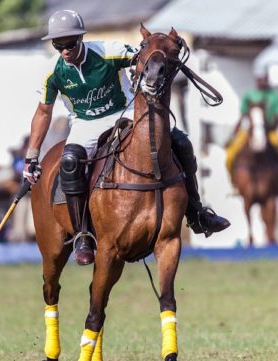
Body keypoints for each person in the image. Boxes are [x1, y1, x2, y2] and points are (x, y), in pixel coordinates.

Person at [23, 10, 230, 265]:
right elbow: (44, 112)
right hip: (85, 124)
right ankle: (82, 235)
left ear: (81, 38)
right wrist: (32, 156)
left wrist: (164, 51)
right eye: (58, 45)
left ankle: (197, 213)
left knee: (181, 142)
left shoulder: (108, 51)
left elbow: (147, 56)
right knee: (68, 163)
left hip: (125, 113)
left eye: (70, 43)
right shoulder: (52, 72)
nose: (65, 50)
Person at [232, 75, 278, 193]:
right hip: (250, 130)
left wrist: (271, 127)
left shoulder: (274, 96)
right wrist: (238, 126)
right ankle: (234, 182)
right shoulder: (250, 95)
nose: (261, 81)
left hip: (269, 130)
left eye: (264, 79)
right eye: (259, 79)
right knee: (232, 150)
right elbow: (243, 112)